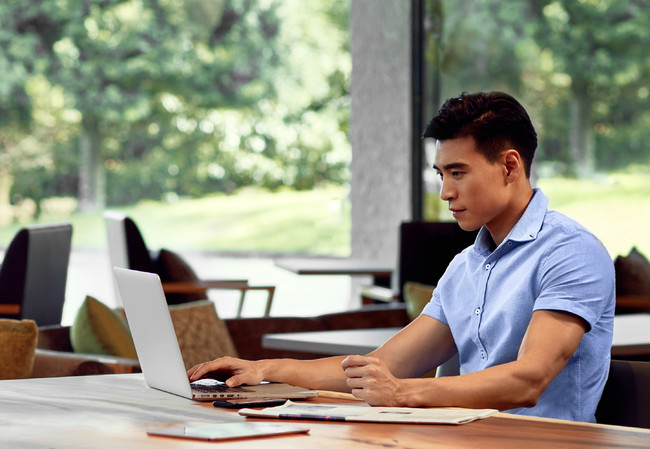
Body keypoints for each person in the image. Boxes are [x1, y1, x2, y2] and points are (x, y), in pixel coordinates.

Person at [188, 91, 615, 422]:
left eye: (458, 173)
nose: (446, 192)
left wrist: (403, 393)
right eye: (441, 174)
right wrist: (266, 370)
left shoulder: (570, 253)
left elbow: (528, 380)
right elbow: (384, 367)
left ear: (509, 166)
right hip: (462, 439)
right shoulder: (464, 267)